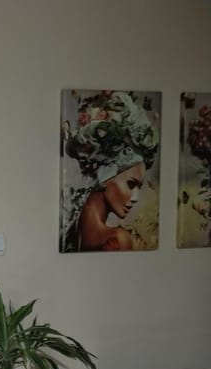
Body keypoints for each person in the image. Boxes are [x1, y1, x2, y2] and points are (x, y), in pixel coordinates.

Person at [60, 91, 159, 252]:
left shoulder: (70, 230)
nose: (135, 198)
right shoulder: (117, 240)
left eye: (138, 188)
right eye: (131, 184)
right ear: (105, 174)